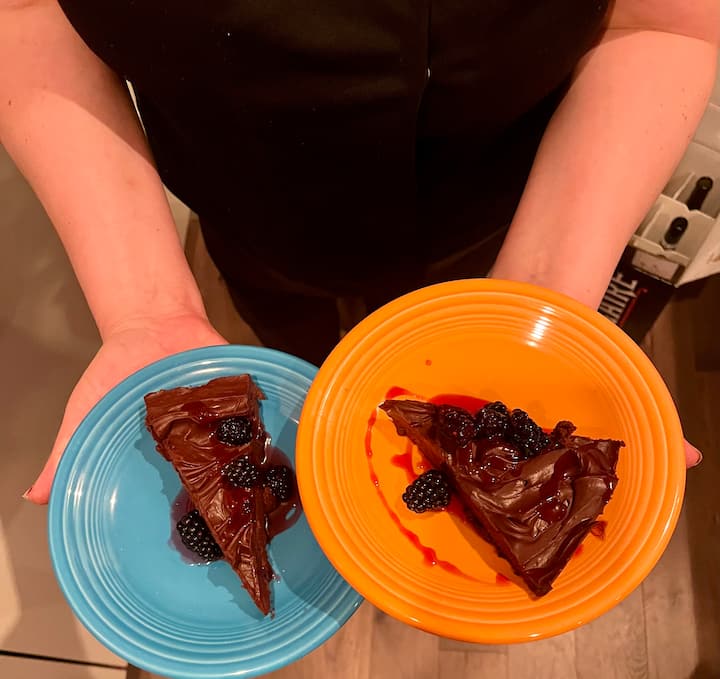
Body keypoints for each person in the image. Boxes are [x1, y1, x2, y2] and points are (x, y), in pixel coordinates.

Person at [2, 0, 715, 504]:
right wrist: (146, 306)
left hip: (497, 211)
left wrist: (540, 299)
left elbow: (662, 18)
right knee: (291, 338)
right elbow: (26, 13)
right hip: (247, 218)